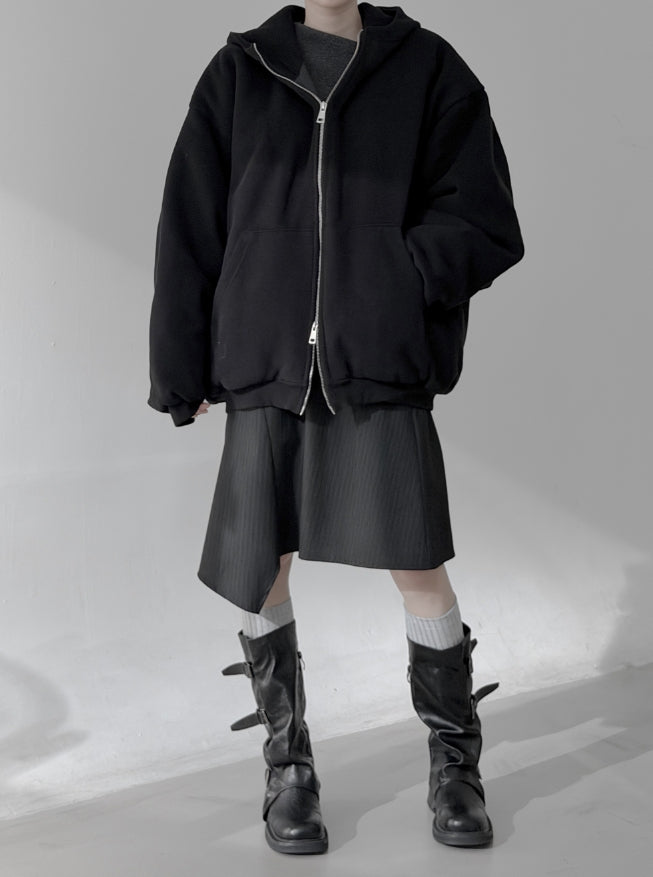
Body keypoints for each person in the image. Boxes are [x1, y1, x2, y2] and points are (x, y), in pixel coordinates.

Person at [148, 0, 524, 857]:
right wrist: (179, 363)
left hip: (377, 359)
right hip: (265, 356)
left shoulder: (428, 68)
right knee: (261, 563)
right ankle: (288, 767)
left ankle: (454, 763)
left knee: (416, 561)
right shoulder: (238, 72)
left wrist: (398, 278)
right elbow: (190, 223)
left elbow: (483, 216)